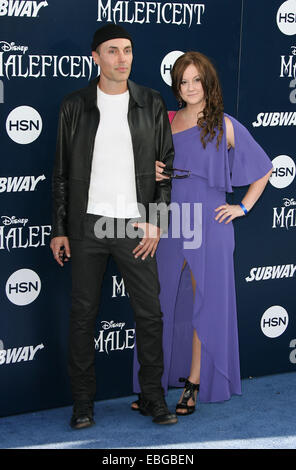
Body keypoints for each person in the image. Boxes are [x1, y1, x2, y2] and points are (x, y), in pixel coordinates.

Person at [50, 23, 178, 429]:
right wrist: (59, 228)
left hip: (135, 226)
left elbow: (165, 167)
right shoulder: (74, 105)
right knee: (83, 316)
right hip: (87, 226)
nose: (121, 58)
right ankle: (83, 404)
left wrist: (157, 221)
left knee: (150, 315)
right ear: (96, 57)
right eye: (112, 51)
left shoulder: (151, 101)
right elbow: (60, 172)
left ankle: (153, 398)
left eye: (127, 50)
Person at [132, 51, 273, 415]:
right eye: (183, 81)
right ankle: (153, 385)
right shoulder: (166, 119)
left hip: (209, 222)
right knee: (158, 304)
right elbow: (150, 168)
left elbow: (264, 169)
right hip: (169, 219)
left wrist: (242, 207)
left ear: (208, 82)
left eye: (197, 79)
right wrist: (157, 174)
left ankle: (194, 383)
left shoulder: (223, 123)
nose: (190, 87)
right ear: (176, 86)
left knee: (204, 304)